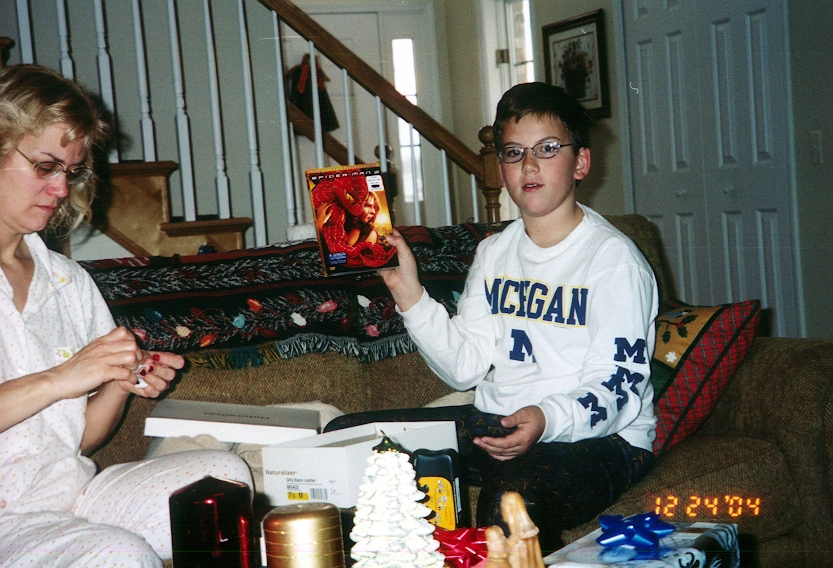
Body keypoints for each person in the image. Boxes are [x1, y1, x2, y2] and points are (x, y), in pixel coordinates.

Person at [326, 82, 658, 552]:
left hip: (604, 439)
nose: (529, 165)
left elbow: (618, 388)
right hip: (502, 421)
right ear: (502, 169)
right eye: (514, 152)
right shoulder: (494, 252)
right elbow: (464, 367)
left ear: (581, 162)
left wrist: (546, 418)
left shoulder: (613, 262)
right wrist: (409, 294)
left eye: (547, 148)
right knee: (346, 442)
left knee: (509, 501)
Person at [0, 64, 252, 567]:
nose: (61, 189)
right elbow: (61, 383)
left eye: (72, 172)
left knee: (224, 480)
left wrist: (119, 382)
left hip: (70, 496)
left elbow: (81, 438)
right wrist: (61, 378)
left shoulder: (67, 281)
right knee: (119, 552)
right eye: (46, 167)